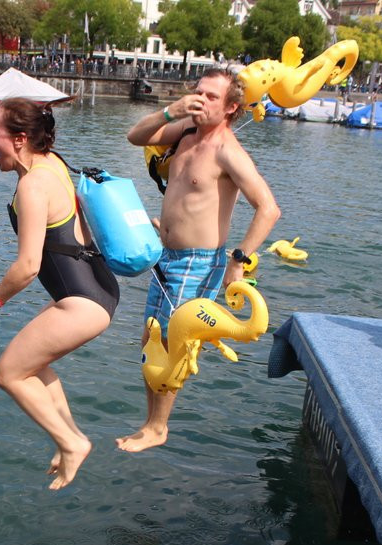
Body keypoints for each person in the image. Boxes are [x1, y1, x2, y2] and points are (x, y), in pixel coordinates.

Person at [116, 67, 280, 453]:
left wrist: (239, 260)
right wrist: (171, 112)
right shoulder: (186, 131)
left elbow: (269, 209)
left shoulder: (228, 151)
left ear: (231, 107)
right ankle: (150, 422)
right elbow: (135, 136)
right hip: (165, 252)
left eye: (211, 97)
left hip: (198, 261)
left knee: (176, 343)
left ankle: (159, 426)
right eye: (199, 92)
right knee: (151, 337)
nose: (200, 100)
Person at [0, 98, 120, 490]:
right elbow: (16, 146)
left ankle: (72, 442)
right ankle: (65, 438)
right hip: (98, 291)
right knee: (33, 365)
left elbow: (28, 266)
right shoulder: (52, 162)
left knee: (9, 373)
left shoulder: (33, 186)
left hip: (80, 305)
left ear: (19, 139)